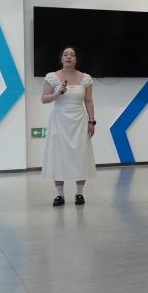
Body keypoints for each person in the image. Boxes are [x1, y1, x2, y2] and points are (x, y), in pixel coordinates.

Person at [40, 46, 96, 206]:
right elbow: (44, 99)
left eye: (72, 55)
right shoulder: (52, 77)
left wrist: (92, 121)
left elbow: (88, 101)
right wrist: (56, 94)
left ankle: (79, 193)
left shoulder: (86, 79)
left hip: (79, 121)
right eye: (65, 54)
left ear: (76, 59)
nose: (69, 57)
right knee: (58, 156)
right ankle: (60, 195)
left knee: (80, 155)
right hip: (59, 121)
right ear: (61, 58)